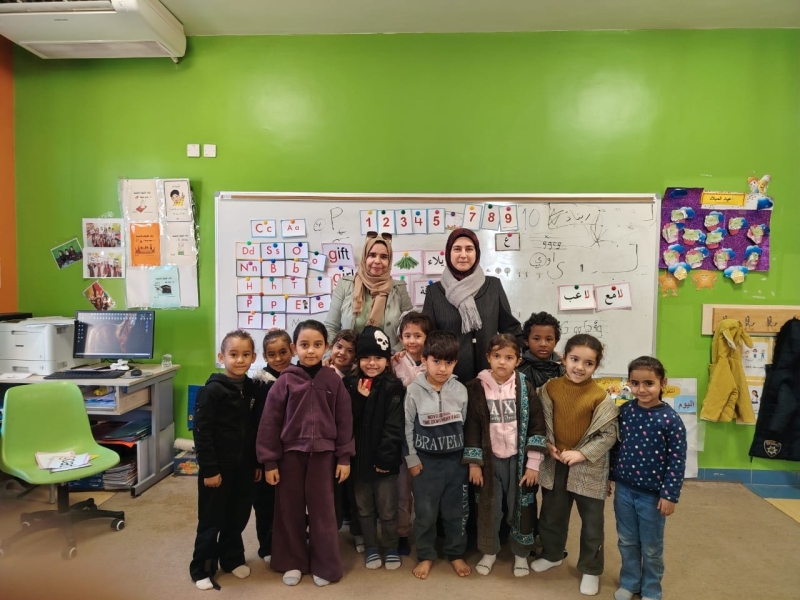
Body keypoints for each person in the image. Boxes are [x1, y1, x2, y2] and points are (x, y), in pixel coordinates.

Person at [256, 320, 354, 587]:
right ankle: (292, 562)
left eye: (317, 344)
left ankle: (325, 564)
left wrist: (344, 457)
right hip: (290, 457)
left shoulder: (333, 381)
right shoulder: (285, 381)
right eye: (304, 345)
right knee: (289, 511)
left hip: (324, 457)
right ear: (294, 348)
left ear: (326, 347)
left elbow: (345, 421)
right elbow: (269, 422)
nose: (311, 350)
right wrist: (269, 461)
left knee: (323, 513)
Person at [532, 334, 619, 597]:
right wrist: (547, 444)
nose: (580, 367)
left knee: (592, 522)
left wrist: (582, 454)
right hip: (555, 461)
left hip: (588, 466)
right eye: (574, 359)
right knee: (552, 514)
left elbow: (608, 435)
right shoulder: (549, 388)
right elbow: (540, 421)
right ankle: (552, 554)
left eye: (588, 363)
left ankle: (591, 569)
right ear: (564, 358)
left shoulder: (600, 396)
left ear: (596, 366)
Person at [463, 334, 547, 577]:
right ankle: (489, 552)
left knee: (520, 507)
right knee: (489, 507)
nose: (502, 362)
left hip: (518, 462)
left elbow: (537, 426)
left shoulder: (525, 388)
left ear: (518, 361)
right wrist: (474, 464)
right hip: (489, 462)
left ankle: (521, 553)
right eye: (497, 356)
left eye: (509, 357)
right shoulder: (476, 388)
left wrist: (533, 464)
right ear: (488, 357)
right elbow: (471, 428)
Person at [190, 330, 261, 590]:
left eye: (245, 354)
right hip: (217, 469)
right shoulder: (211, 391)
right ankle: (202, 568)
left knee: (238, 516)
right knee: (212, 519)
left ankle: (232, 559)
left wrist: (256, 463)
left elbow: (255, 430)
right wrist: (210, 469)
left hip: (244, 467)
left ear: (253, 357)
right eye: (233, 354)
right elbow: (202, 432)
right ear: (221, 357)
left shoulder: (253, 389)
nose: (239, 360)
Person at [610, 357, 687, 600]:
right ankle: (630, 583)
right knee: (626, 540)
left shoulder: (671, 420)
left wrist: (669, 495)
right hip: (624, 490)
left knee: (651, 547)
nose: (641, 389)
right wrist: (609, 477)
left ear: (663, 383)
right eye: (635, 383)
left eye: (649, 383)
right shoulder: (625, 411)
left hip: (653, 496)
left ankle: (651, 590)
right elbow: (615, 447)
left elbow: (677, 461)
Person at [403, 331, 470, 580]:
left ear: (455, 363)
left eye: (449, 362)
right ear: (424, 360)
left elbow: (466, 426)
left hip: (456, 463)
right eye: (437, 361)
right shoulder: (413, 390)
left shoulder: (461, 390)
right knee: (425, 514)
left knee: (456, 512)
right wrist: (412, 459)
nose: (442, 368)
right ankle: (426, 555)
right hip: (425, 464)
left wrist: (468, 461)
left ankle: (455, 553)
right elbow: (407, 426)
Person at [422, 228, 522, 384]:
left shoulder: (493, 286)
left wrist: (517, 357)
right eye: (457, 249)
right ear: (448, 253)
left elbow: (510, 328)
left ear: (477, 253)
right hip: (449, 378)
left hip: (491, 377)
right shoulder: (434, 292)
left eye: (469, 249)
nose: (463, 255)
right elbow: (427, 337)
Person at [344, 326, 405, 571]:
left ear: (387, 360)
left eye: (378, 357)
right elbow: (346, 422)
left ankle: (390, 547)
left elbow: (394, 426)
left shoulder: (393, 386)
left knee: (388, 509)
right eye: (366, 357)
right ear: (358, 359)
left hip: (385, 462)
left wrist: (385, 458)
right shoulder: (349, 385)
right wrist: (359, 399)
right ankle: (370, 546)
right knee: (364, 508)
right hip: (359, 461)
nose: (372, 363)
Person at [390, 310, 434, 555]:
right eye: (407, 335)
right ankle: (402, 533)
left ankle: (427, 533)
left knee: (425, 489)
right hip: (401, 434)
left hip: (426, 434)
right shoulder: (394, 362)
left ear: (427, 338)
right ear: (400, 337)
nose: (412, 340)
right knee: (402, 489)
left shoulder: (434, 363)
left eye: (418, 335)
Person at [325, 231, 413, 351]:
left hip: (388, 359)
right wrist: (334, 354)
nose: (377, 261)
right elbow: (331, 327)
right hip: (350, 359)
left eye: (384, 257)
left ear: (389, 261)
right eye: (372, 255)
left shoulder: (399, 288)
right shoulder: (345, 285)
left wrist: (394, 355)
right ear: (364, 257)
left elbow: (411, 328)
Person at [251, 329, 295, 566]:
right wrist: (259, 461)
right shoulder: (260, 384)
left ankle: (293, 541)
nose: (278, 358)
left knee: (291, 502)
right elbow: (257, 425)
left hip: (293, 454)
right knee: (266, 503)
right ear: (264, 356)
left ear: (292, 350)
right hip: (267, 454)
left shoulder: (300, 376)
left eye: (283, 352)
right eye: (272, 354)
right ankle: (267, 545)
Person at [518, 311, 565, 388]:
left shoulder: (564, 368)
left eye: (548, 339)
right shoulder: (519, 371)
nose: (543, 344)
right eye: (536, 339)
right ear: (526, 341)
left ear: (556, 342)